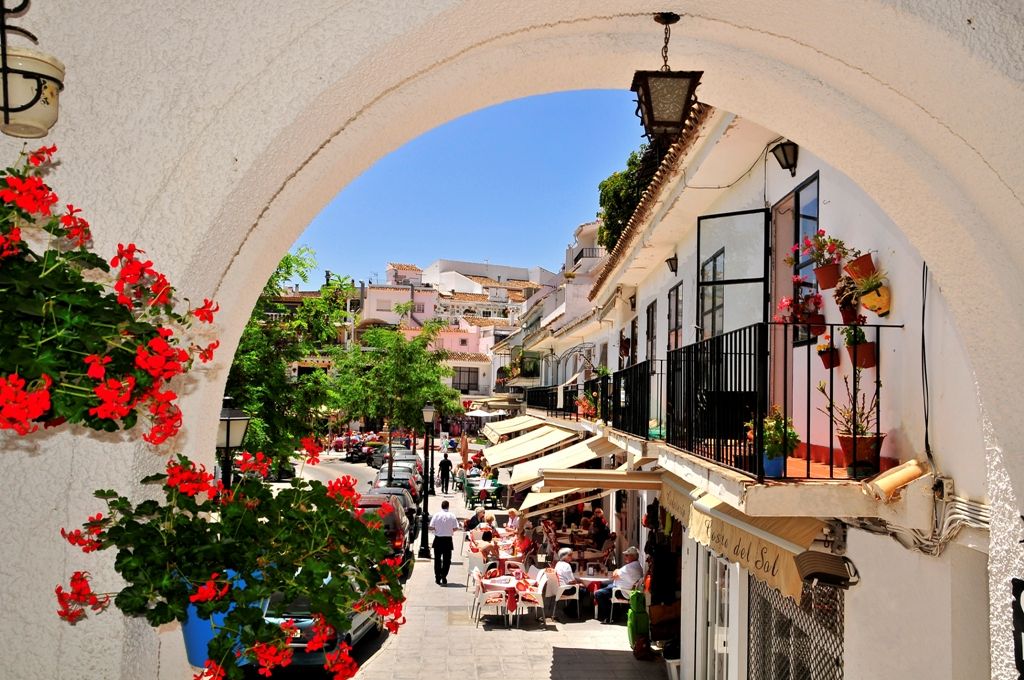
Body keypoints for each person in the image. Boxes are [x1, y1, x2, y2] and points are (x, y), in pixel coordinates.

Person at [593, 546, 644, 623]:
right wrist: (617, 571)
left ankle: (609, 616)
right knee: (603, 583)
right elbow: (616, 572)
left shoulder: (629, 567)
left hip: (622, 591)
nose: (625, 557)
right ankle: (615, 610)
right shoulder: (637, 565)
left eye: (627, 555)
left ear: (633, 556)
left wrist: (616, 570)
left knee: (598, 594)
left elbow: (614, 575)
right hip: (625, 587)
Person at [428, 499, 461, 586]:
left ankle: (437, 577)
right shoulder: (452, 515)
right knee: (447, 560)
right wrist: (450, 530)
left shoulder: (436, 515)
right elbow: (456, 527)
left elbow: (431, 527)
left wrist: (437, 529)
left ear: (441, 506)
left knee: (437, 560)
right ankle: (444, 575)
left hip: (438, 539)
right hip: (447, 540)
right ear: (448, 506)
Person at [546, 547, 582, 620]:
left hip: (557, 588)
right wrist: (580, 583)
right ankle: (570, 610)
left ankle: (570, 608)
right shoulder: (567, 566)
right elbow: (571, 581)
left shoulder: (558, 563)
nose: (571, 557)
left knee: (580, 588)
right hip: (564, 589)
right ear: (565, 556)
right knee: (582, 591)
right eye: (570, 555)